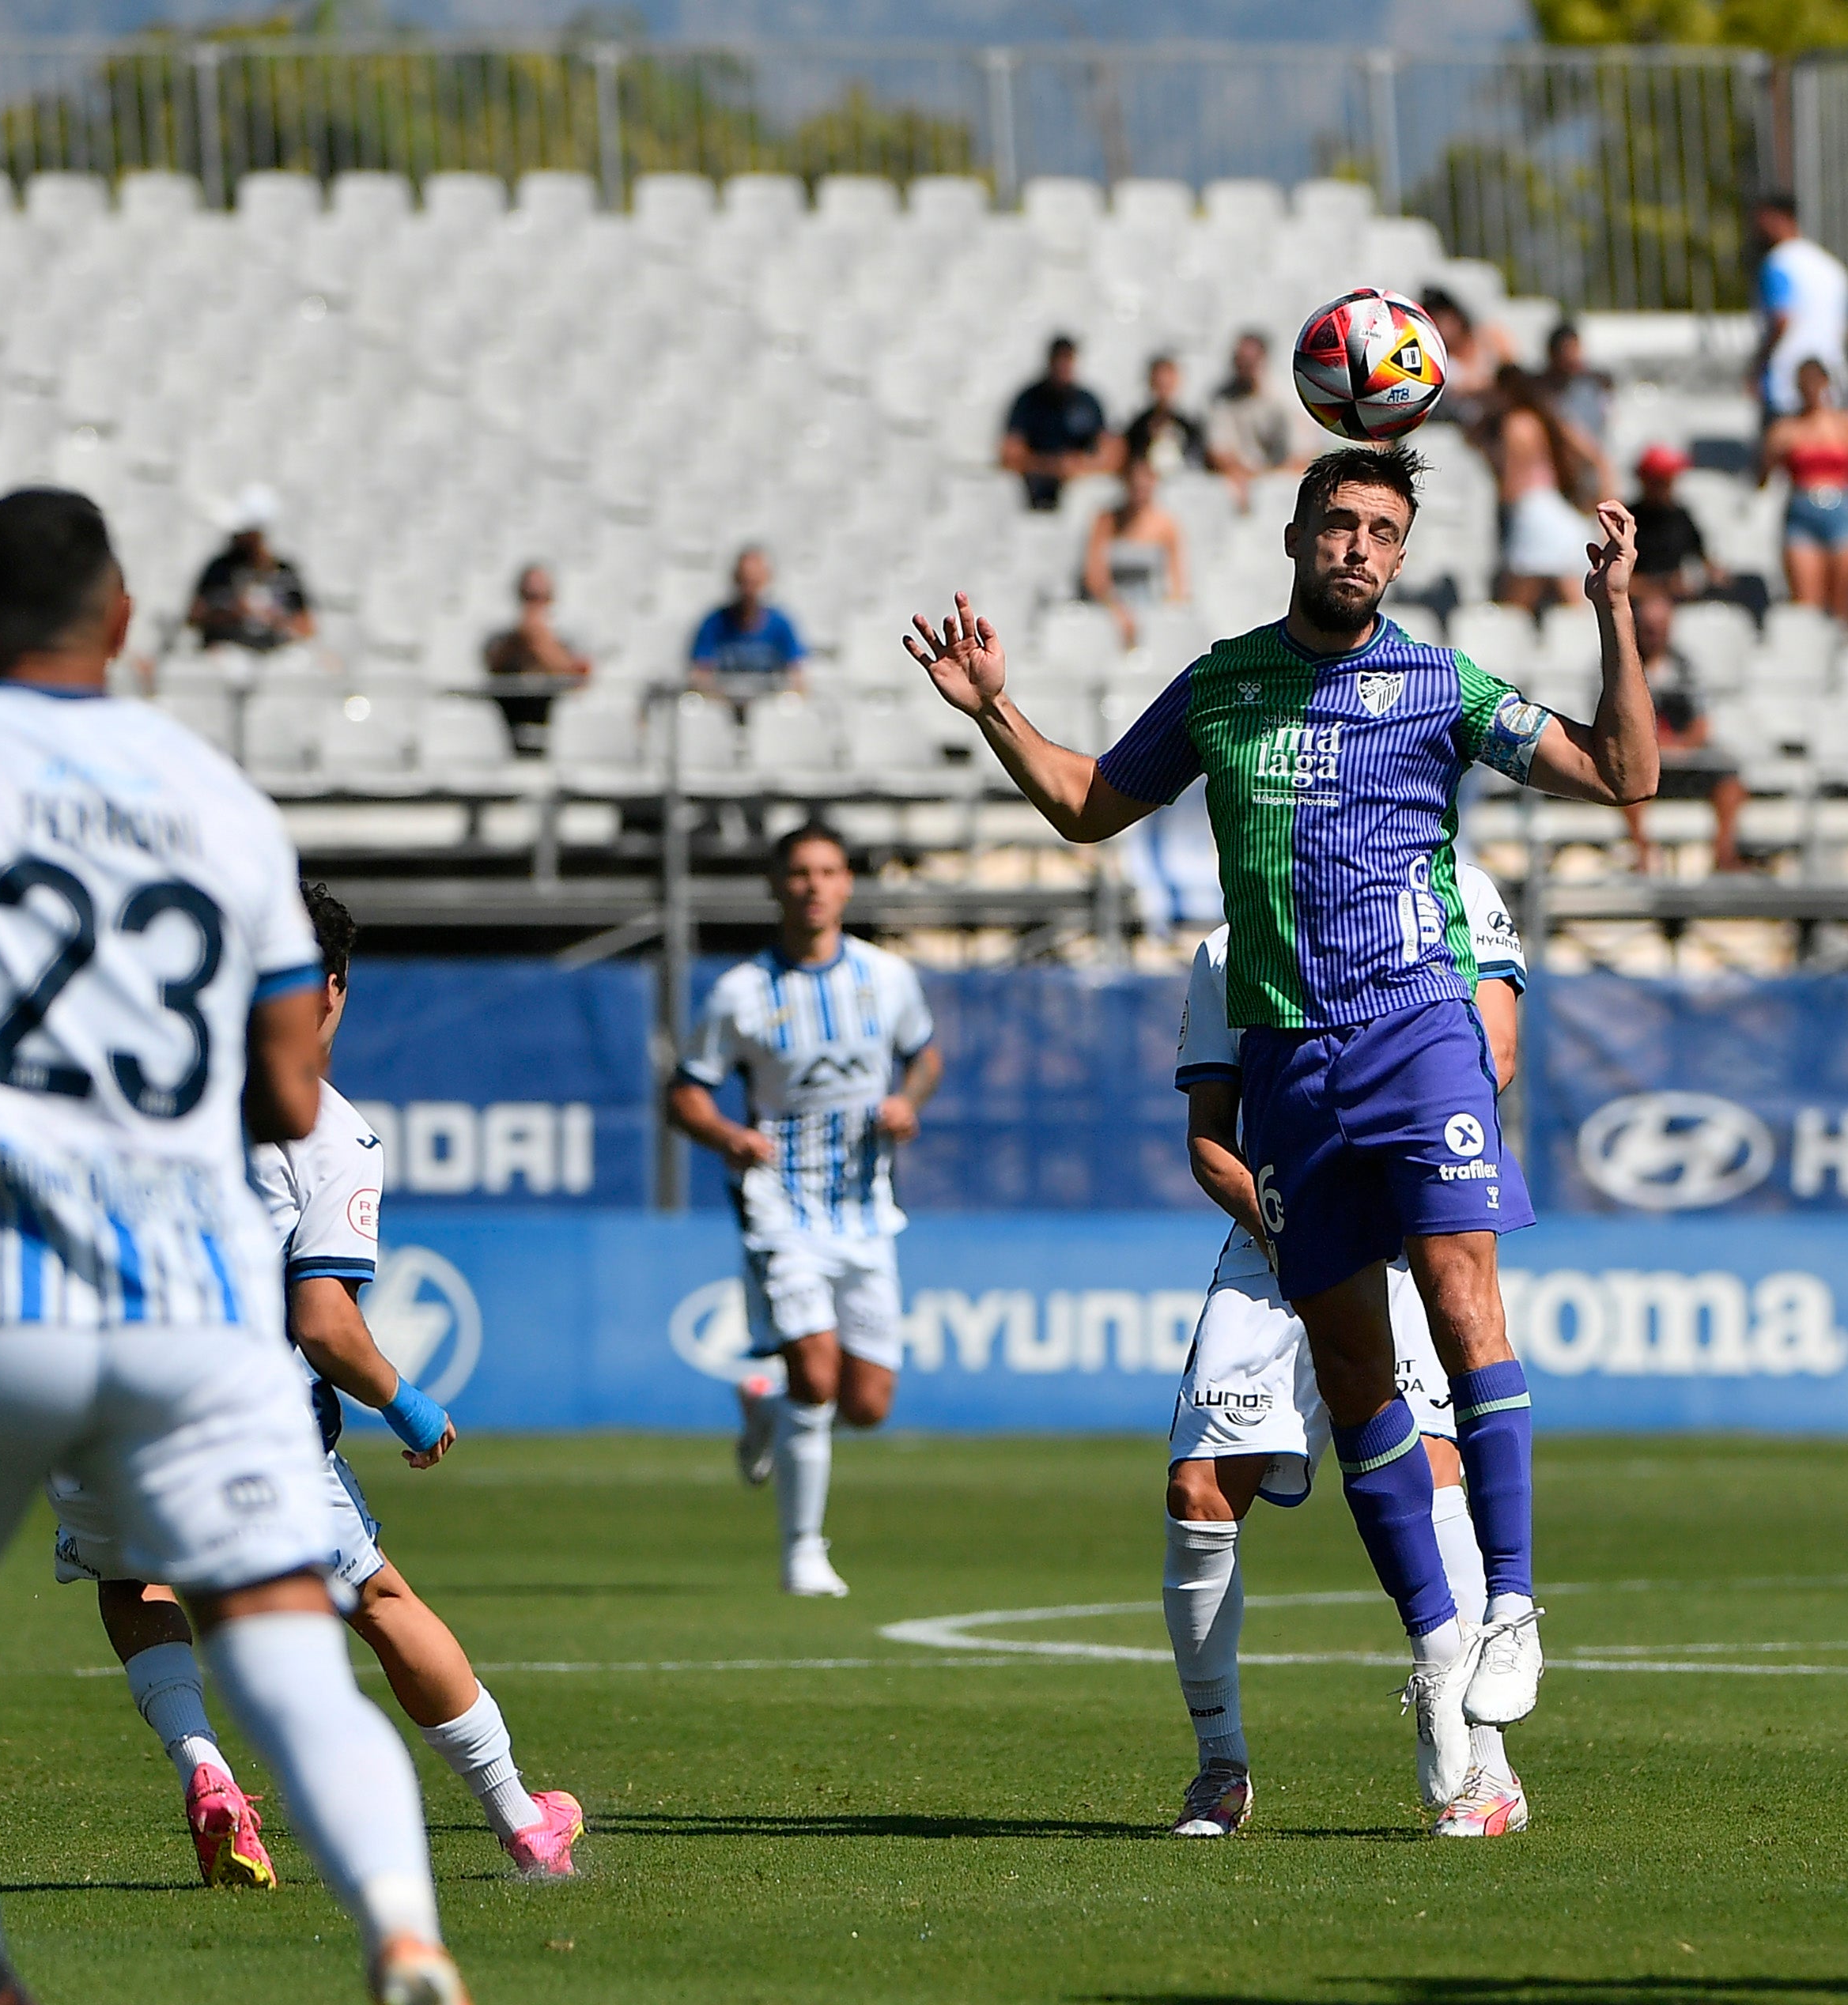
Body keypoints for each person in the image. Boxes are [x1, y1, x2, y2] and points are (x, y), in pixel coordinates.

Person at [0, 488, 504, 2005]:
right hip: (198, 1311)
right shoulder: (225, 808)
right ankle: (405, 1938)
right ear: (122, 623)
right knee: (279, 1628)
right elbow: (287, 1092)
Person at [905, 444, 1657, 1832]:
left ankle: (1513, 1603)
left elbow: (1624, 772)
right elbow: (1085, 805)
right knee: (1357, 1375)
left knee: (1461, 1292)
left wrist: (1614, 606)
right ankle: (1441, 1656)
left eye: (1384, 528)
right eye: (1341, 522)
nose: (1359, 545)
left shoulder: (1442, 684)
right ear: (1298, 531)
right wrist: (995, 705)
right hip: (1287, 1061)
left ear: (1401, 549)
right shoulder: (1220, 686)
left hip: (1421, 1025)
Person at [46, 879, 584, 1892]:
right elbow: (323, 1323)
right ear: (332, 991)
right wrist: (408, 1404)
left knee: (136, 1579)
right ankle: (521, 1819)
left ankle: (204, 1767)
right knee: (377, 1597)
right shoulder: (327, 1131)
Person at [1163, 859, 1532, 1837]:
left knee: (1436, 1471)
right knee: (1196, 1493)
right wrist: (1299, 1230)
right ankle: (1219, 1765)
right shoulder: (1230, 947)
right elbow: (1210, 1141)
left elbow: (1493, 1057)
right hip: (1277, 1239)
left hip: (1410, 1228)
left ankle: (1483, 1765)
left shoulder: (1454, 890)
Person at [668, 822, 943, 1599]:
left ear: (847, 883)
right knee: (818, 1377)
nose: (813, 886)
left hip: (865, 1207)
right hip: (779, 1205)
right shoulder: (741, 992)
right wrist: (728, 1134)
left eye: (827, 871)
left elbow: (925, 1056)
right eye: (798, 873)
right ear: (777, 885)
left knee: (867, 1404)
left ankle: (763, 1403)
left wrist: (906, 1102)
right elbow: (684, 1092)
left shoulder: (887, 978)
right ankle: (802, 1552)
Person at [1623, 588, 1747, 874]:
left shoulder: (1685, 665)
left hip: (1681, 756)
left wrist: (1682, 745)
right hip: (1640, 759)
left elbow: (1701, 721)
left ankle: (1724, 854)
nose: (1655, 633)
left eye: (1661, 626)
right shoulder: (1619, 665)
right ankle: (1643, 853)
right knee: (1626, 784)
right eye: (1649, 626)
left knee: (1729, 777)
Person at [1763, 357, 1848, 625]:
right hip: (1804, 510)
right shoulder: (1786, 429)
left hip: (1843, 510)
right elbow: (1763, 477)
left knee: (1842, 602)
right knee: (1807, 605)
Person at [1485, 364, 1604, 613]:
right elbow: (1595, 457)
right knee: (1571, 597)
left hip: (1531, 512)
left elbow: (1511, 483)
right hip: (1553, 508)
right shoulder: (1542, 420)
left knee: (1516, 602)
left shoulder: (1515, 424)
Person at [1749, 191, 1848, 424]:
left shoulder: (1778, 263)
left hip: (1786, 383)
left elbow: (1781, 320)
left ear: (1777, 218)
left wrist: (1757, 366)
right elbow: (1844, 331)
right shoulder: (1831, 267)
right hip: (1830, 384)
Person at [480, 563, 591, 760]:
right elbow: (491, 667)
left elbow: (580, 676)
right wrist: (521, 639)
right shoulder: (502, 636)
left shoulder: (569, 636)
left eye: (542, 596)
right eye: (529, 596)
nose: (535, 604)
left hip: (557, 727)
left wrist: (542, 643)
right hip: (506, 728)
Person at [184, 487, 314, 655]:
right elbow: (194, 616)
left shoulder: (284, 571)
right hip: (227, 652)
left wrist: (274, 619)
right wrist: (231, 613)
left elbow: (307, 626)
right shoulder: (219, 569)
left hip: (274, 656)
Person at [1083, 453, 1189, 653]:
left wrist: (1165, 617)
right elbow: (1095, 577)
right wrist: (1117, 610)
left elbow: (1177, 582)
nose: (1140, 485)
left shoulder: (1167, 525)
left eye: (1146, 478)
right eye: (1134, 479)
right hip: (1110, 610)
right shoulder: (1106, 521)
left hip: (1153, 609)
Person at [1001, 335, 1114, 512]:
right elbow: (1010, 451)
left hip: (1079, 485)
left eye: (1067, 360)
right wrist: (1049, 465)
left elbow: (1109, 451)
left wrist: (1078, 464)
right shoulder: (1029, 400)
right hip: (1035, 480)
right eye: (1058, 360)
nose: (1063, 367)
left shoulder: (1088, 403)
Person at [687, 546, 807, 708]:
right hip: (723, 708)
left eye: (755, 582)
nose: (750, 590)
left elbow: (798, 679)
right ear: (736, 580)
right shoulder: (714, 623)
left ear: (767, 580)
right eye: (745, 581)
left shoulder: (782, 625)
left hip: (767, 711)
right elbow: (699, 676)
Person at [1205, 330, 1306, 498]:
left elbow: (1301, 453)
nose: (1245, 367)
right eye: (1240, 361)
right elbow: (1218, 452)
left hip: (1280, 480)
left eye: (1250, 362)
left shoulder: (1285, 398)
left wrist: (1268, 478)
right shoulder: (1221, 399)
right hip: (1238, 479)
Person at [1625, 446, 1719, 603]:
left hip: (1678, 600)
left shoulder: (1681, 517)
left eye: (1669, 479)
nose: (1667, 486)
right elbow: (1622, 579)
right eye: (1659, 480)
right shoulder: (1629, 520)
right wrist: (1656, 588)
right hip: (1637, 602)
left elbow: (1703, 559)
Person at [1419, 289, 1515, 429]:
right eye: (1436, 323)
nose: (1444, 328)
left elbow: (1512, 371)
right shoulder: (1436, 362)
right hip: (1473, 426)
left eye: (1446, 319)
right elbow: (1462, 389)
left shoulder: (1490, 336)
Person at [1124, 354, 1210, 476]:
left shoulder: (1190, 425)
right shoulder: (1139, 425)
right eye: (1159, 383)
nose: (1163, 389)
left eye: (1167, 383)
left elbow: (1197, 458)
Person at [1540, 321, 1612, 450]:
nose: (1573, 356)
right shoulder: (1542, 393)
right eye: (1567, 350)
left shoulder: (1590, 386)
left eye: (1576, 349)